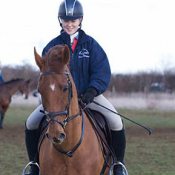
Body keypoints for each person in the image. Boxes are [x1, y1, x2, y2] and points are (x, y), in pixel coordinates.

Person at [24, 0, 127, 175]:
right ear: (60, 21)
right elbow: (46, 76)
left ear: (80, 20)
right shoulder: (51, 46)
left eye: (73, 20)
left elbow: (101, 71)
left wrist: (92, 91)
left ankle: (118, 166)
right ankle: (34, 165)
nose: (69, 24)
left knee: (116, 122)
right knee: (31, 123)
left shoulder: (91, 45)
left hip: (89, 97)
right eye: (65, 20)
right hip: (59, 99)